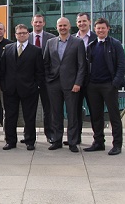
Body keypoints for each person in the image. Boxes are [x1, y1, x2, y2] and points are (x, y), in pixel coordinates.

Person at [84, 17, 125, 155]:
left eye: (103, 28)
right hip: (93, 86)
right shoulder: (91, 45)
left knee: (114, 116)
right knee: (96, 116)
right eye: (98, 28)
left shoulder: (115, 44)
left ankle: (117, 145)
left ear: (108, 29)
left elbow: (121, 65)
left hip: (109, 85)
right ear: (94, 30)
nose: (100, 30)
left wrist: (115, 83)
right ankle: (98, 143)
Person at [44, 17, 86, 153]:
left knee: (72, 114)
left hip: (72, 85)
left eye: (65, 25)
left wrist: (78, 82)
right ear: (57, 27)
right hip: (54, 84)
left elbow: (82, 65)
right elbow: (46, 63)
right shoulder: (50, 42)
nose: (62, 28)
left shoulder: (78, 43)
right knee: (55, 113)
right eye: (60, 25)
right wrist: (48, 79)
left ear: (69, 27)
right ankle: (56, 140)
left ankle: (73, 142)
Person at [0, 24, 44, 151]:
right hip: (10, 89)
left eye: (24, 33)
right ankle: (10, 141)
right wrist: (4, 86)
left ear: (28, 34)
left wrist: (36, 86)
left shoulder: (36, 50)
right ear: (15, 35)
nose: (22, 35)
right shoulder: (8, 48)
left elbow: (39, 72)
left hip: (29, 89)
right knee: (10, 116)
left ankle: (30, 141)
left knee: (29, 116)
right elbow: (2, 69)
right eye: (19, 33)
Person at [20, 14, 55, 144]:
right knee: (29, 109)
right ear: (32, 23)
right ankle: (28, 135)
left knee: (48, 109)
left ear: (44, 23)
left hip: (47, 79)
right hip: (29, 81)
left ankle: (50, 134)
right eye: (36, 22)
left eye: (40, 22)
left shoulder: (52, 39)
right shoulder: (25, 38)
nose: (38, 24)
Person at [64, 12, 97, 146]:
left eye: (84, 21)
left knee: (94, 111)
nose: (81, 24)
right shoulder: (70, 38)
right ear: (76, 24)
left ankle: (98, 139)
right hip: (75, 81)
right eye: (79, 22)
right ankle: (75, 138)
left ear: (89, 22)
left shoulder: (96, 37)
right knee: (75, 111)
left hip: (91, 81)